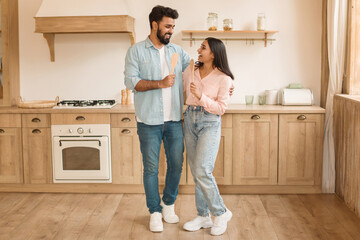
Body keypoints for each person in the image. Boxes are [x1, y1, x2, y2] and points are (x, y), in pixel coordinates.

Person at [124, 5, 190, 232]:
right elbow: (132, 82)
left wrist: (222, 81)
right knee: (151, 168)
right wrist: (160, 83)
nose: (171, 30)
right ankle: (154, 211)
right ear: (155, 25)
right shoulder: (136, 51)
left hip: (174, 120)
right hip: (148, 121)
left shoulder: (178, 52)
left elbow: (196, 72)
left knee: (177, 164)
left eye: (173, 26)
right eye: (168, 26)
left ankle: (168, 205)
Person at [182, 37, 234, 236]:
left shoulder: (224, 78)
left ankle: (220, 212)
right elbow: (181, 92)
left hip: (210, 122)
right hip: (189, 119)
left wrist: (200, 97)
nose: (198, 49)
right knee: (196, 172)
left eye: (203, 47)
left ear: (213, 53)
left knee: (203, 169)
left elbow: (221, 108)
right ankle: (203, 216)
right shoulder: (190, 71)